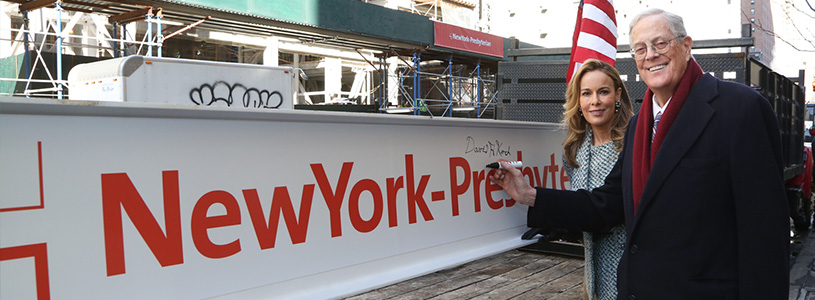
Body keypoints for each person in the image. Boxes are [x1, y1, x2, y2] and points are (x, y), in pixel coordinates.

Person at [493, 8, 789, 299]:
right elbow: (604, 206)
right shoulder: (638, 126)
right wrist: (529, 194)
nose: (650, 55)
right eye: (640, 49)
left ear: (686, 46)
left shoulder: (740, 109)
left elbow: (764, 236)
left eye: (661, 43)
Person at [561, 59, 633, 300]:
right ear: (578, 101)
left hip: (633, 275)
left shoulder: (634, 144)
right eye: (586, 93)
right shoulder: (573, 151)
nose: (595, 101)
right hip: (593, 279)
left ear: (617, 95)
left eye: (603, 92)